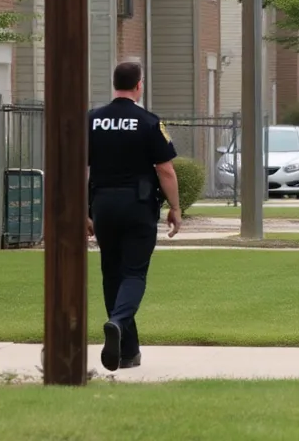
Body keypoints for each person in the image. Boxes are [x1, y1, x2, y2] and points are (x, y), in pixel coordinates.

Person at [87, 61, 182, 371]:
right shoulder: (149, 122)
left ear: (114, 84)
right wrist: (175, 208)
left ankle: (128, 352)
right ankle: (117, 321)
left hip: (102, 206)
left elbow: (78, 168)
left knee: (111, 274)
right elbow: (165, 169)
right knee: (134, 274)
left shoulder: (92, 121)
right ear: (139, 86)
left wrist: (81, 211)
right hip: (138, 207)